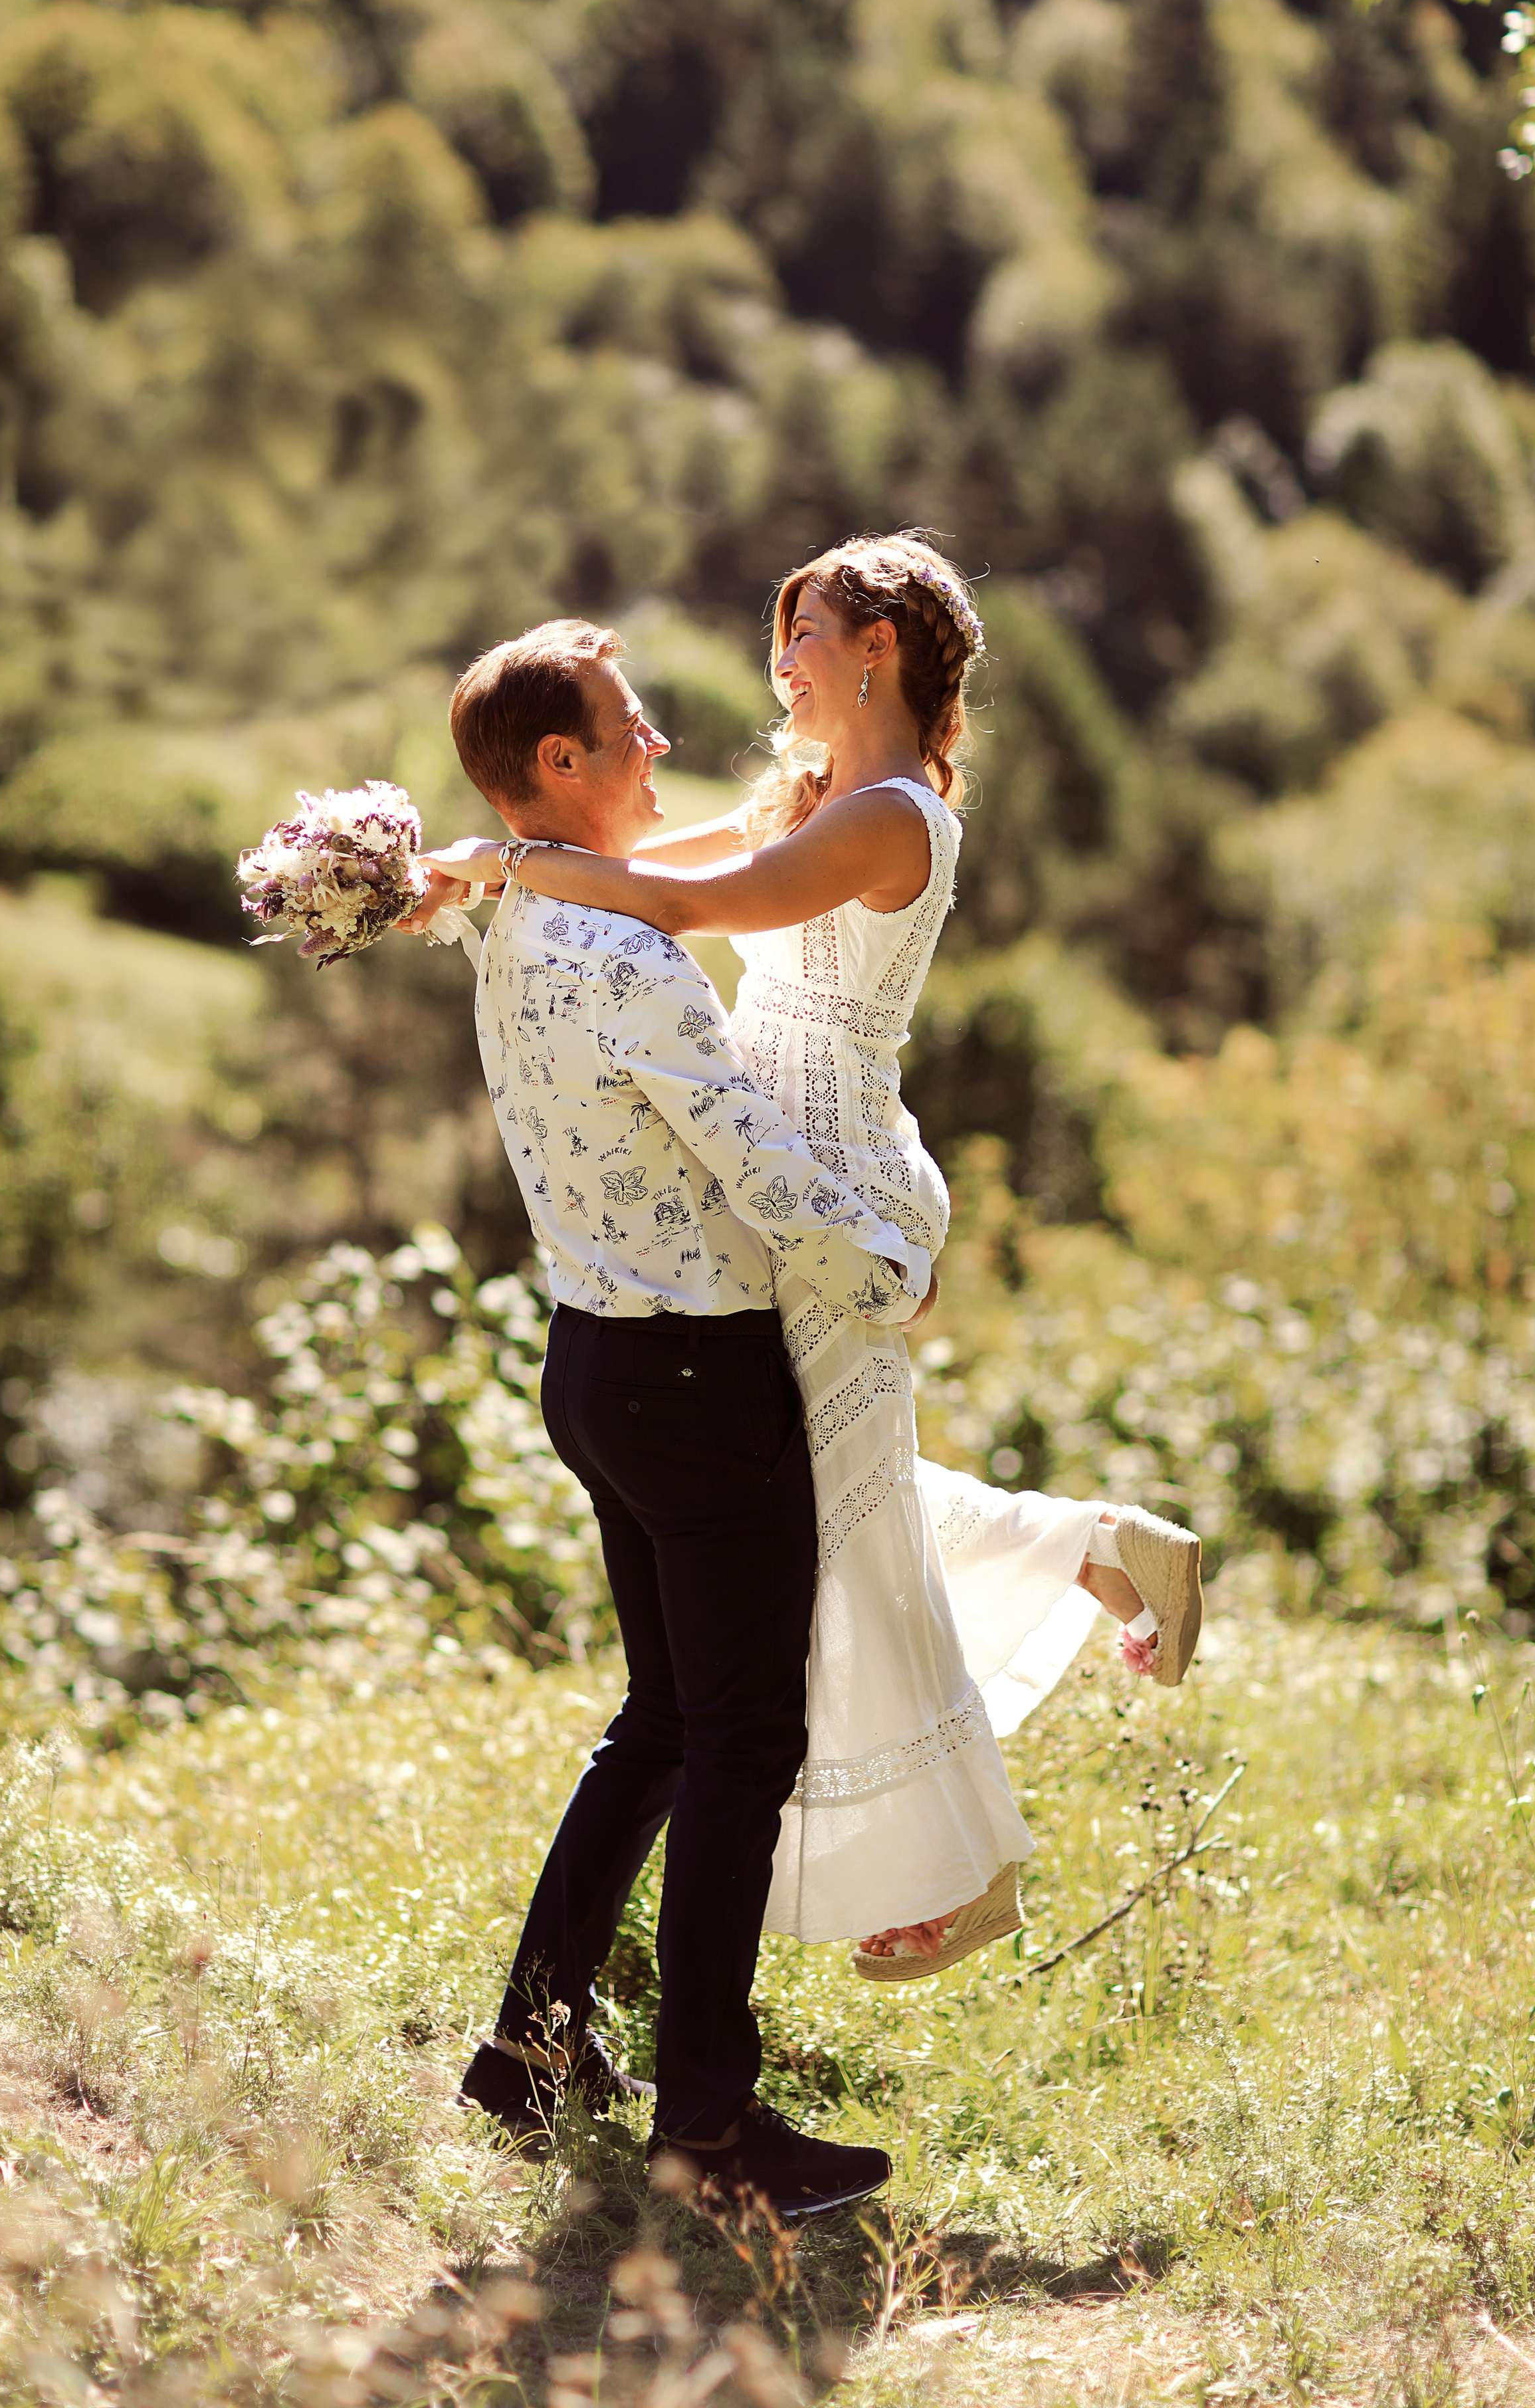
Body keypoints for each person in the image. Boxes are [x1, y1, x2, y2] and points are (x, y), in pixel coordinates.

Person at [418, 536, 1202, 1984]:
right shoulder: (815, 793)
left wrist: (507, 863)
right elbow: (655, 856)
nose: (777, 661)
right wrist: (480, 868)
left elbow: (686, 907)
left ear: (878, 649)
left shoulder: (891, 817)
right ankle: (1093, 1551)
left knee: (839, 1506)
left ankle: (957, 1862)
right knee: (831, 1487)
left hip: (826, 1164)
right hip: (775, 1162)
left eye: (803, 634)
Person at [417, 617, 952, 2221]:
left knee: (658, 1723)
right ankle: (709, 2129)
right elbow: (750, 1159)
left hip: (587, 1361)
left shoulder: (510, 930)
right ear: (562, 765)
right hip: (696, 1382)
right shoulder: (625, 952)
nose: (665, 744)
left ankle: (527, 2053)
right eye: (633, 728)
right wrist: (880, 1264)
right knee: (740, 1746)